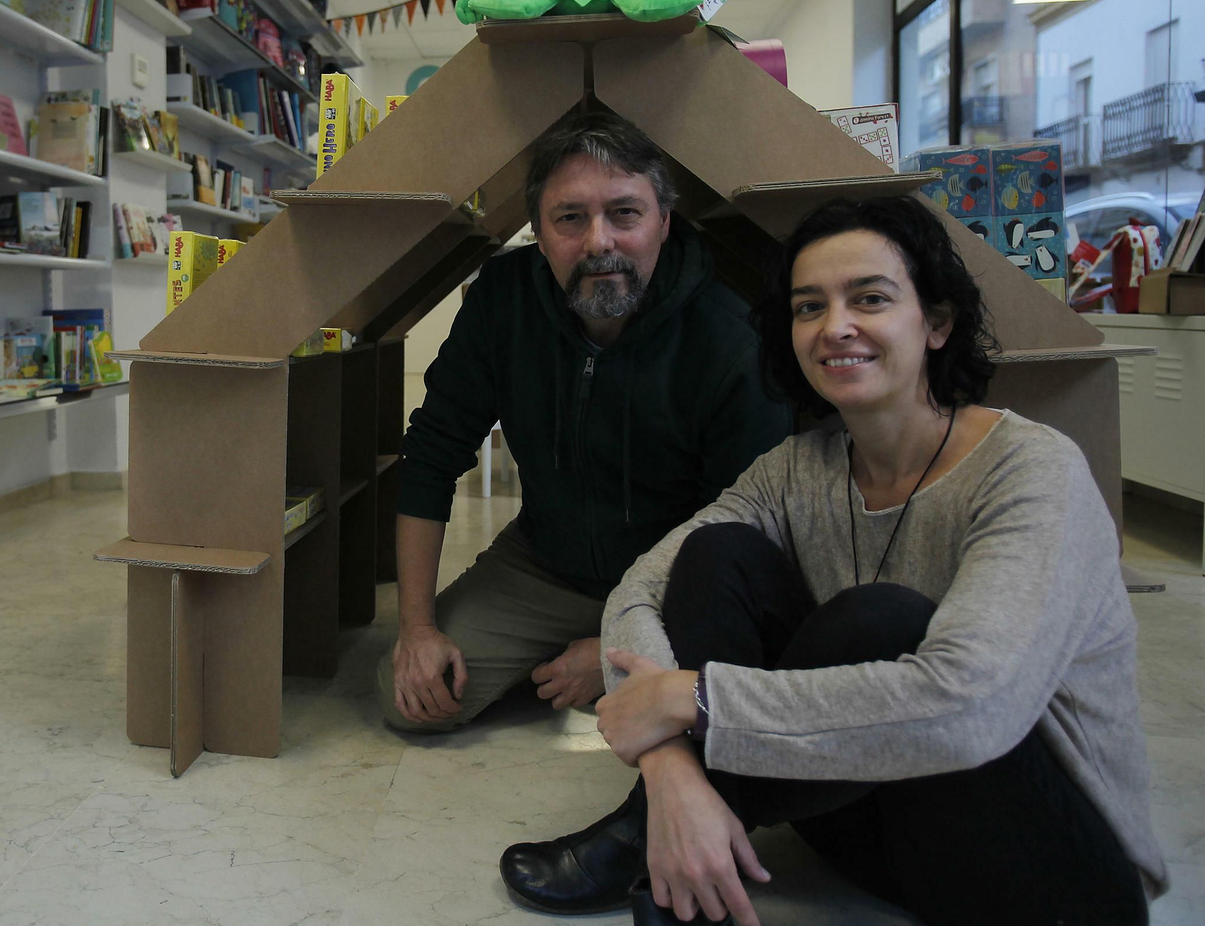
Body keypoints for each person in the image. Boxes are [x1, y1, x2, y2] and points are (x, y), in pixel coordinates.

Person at [499, 195, 1166, 925]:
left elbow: (971, 707)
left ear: (937, 323)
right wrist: (670, 766)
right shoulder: (798, 468)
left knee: (879, 622)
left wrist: (695, 703)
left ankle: (647, 847)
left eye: (871, 299)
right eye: (809, 306)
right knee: (717, 552)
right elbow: (640, 589)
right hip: (874, 824)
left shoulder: (1031, 471)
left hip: (1047, 867)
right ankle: (676, 828)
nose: (835, 327)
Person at [380, 108, 791, 733]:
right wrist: (416, 630)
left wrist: (612, 647)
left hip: (675, 577)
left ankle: (588, 654)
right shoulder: (502, 301)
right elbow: (432, 454)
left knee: (696, 708)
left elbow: (742, 531)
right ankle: (555, 655)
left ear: (664, 223)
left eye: (624, 213)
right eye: (570, 218)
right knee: (411, 701)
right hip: (543, 566)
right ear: (540, 235)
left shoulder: (730, 334)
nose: (599, 241)